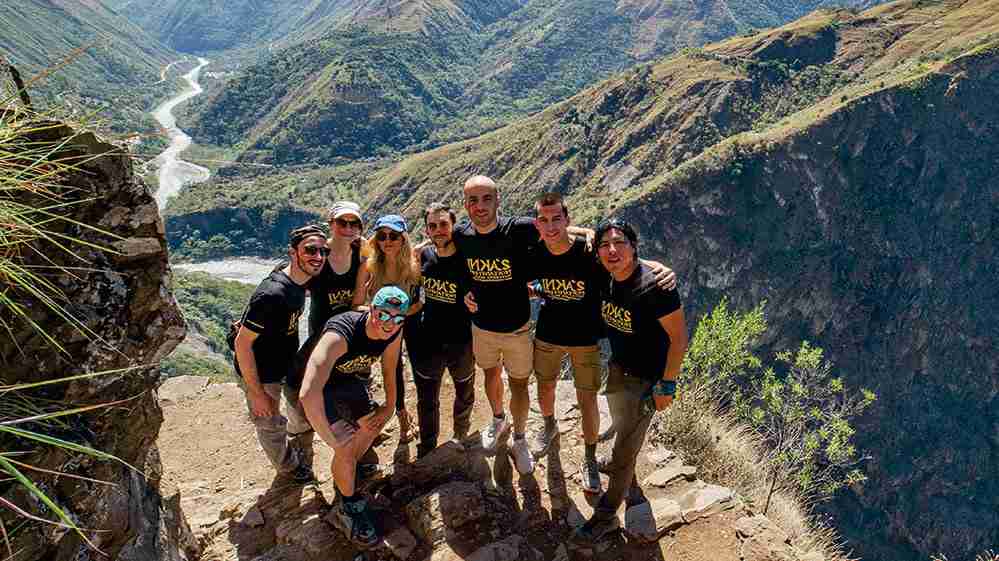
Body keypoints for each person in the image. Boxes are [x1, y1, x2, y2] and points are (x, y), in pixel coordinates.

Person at [573, 219, 688, 542]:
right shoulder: (605, 275)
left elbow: (678, 339)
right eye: (605, 245)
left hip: (647, 380)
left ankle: (607, 515)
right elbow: (574, 232)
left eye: (620, 243)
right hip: (619, 367)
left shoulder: (655, 287)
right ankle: (616, 463)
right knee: (621, 424)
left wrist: (667, 385)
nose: (612, 250)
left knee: (626, 448)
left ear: (634, 247)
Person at [298, 286, 409, 547]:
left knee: (371, 426)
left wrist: (390, 407)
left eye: (397, 318)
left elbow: (390, 366)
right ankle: (349, 505)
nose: (389, 324)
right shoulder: (340, 334)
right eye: (383, 315)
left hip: (346, 379)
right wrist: (333, 440)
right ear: (371, 310)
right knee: (345, 448)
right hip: (314, 385)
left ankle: (344, 472)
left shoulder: (394, 330)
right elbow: (307, 393)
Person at [233, 225, 327, 484]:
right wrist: (256, 393)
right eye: (310, 250)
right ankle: (289, 468)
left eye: (323, 251)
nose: (318, 256)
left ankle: (297, 436)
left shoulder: (300, 280)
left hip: (284, 362)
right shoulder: (271, 294)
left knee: (297, 403)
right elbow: (243, 344)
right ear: (293, 252)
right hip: (261, 373)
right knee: (270, 423)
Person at [407, 203, 475, 458]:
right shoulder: (424, 257)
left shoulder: (468, 259)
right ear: (427, 230)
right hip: (430, 340)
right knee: (427, 399)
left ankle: (461, 436)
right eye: (433, 226)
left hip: (462, 340)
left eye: (444, 224)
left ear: (453, 225)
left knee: (464, 393)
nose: (439, 230)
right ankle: (427, 447)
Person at [352, 214, 422, 444]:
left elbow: (421, 300)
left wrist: (401, 315)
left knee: (417, 365)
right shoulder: (370, 266)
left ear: (403, 239)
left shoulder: (415, 265)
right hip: (381, 324)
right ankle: (400, 414)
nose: (387, 241)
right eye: (382, 236)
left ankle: (409, 414)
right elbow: (357, 303)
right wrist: (380, 317)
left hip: (410, 320)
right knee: (391, 369)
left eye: (393, 236)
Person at [308, 201, 366, 338]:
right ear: (331, 224)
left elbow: (357, 303)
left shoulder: (361, 255)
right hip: (319, 332)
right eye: (342, 222)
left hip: (348, 332)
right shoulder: (317, 254)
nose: (348, 228)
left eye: (354, 224)